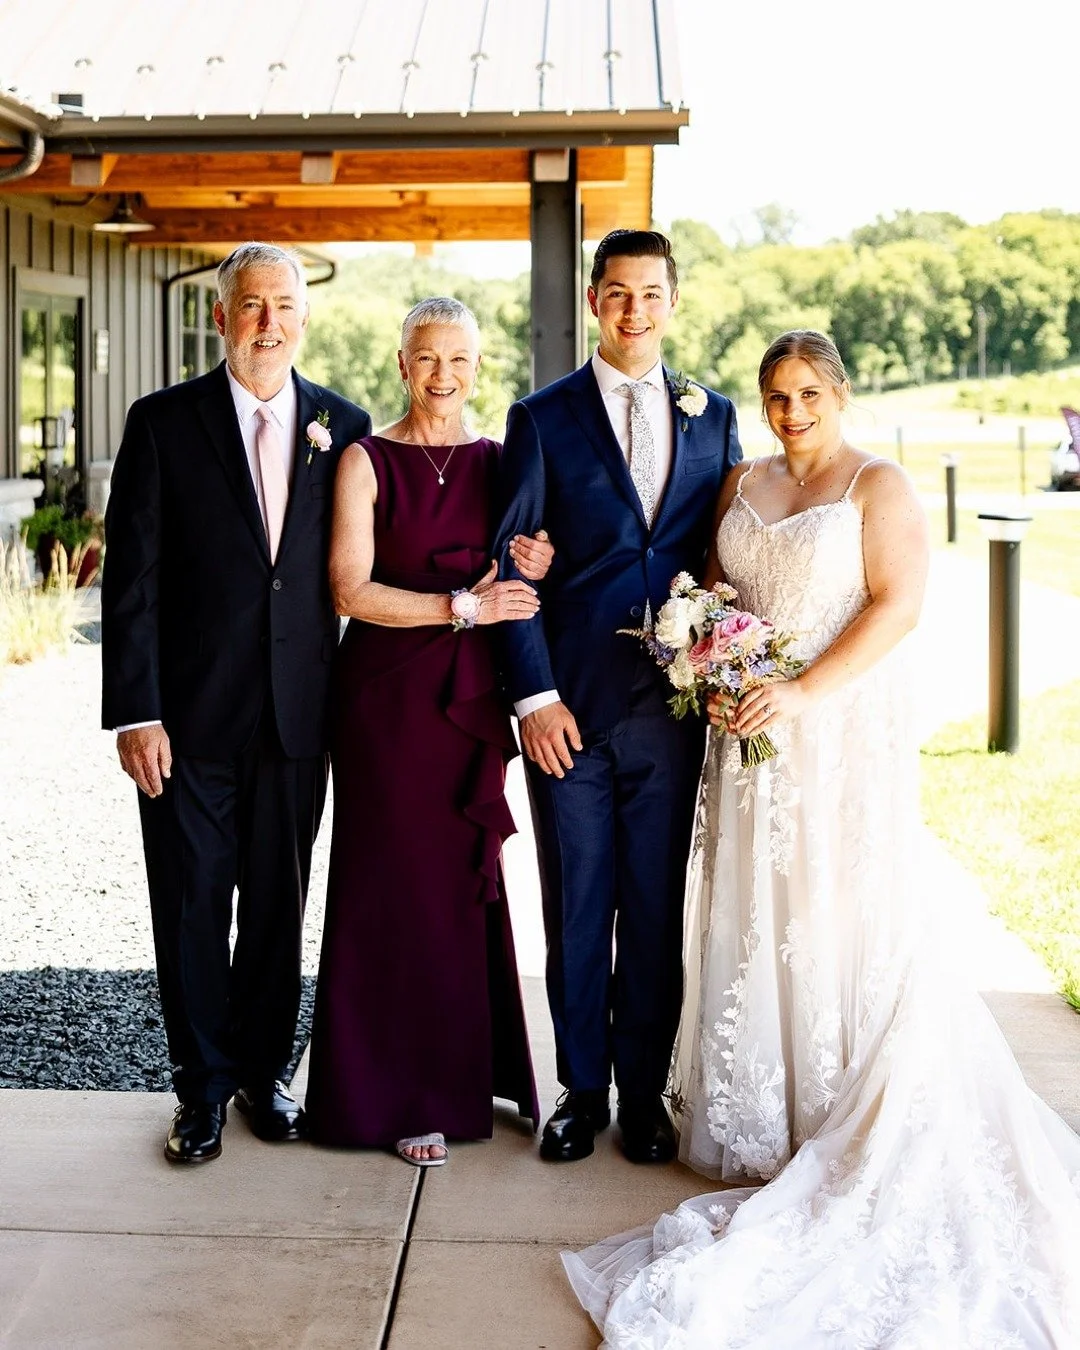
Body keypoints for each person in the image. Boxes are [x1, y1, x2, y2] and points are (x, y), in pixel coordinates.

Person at [563, 330, 1080, 1346]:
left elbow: (900, 607)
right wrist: (707, 665)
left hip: (835, 734)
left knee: (836, 910)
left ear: (839, 392)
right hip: (746, 736)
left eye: (807, 392)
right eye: (776, 394)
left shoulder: (877, 484)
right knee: (759, 912)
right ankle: (766, 1105)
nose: (791, 409)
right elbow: (712, 595)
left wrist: (798, 693)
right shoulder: (743, 482)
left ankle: (841, 1109)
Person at [101, 242, 372, 1164]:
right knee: (190, 904)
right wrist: (136, 712)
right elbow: (130, 583)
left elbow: (375, 558)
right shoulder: (162, 423)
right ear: (220, 317)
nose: (268, 323)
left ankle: (263, 1075)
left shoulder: (346, 423)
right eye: (251, 306)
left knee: (277, 907)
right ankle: (200, 1091)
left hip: (302, 714)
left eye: (284, 306)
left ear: (304, 316)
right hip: (186, 720)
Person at [494, 229, 743, 1165]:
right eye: (617, 293)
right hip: (570, 710)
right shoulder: (542, 417)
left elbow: (728, 560)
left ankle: (644, 1093)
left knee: (650, 905)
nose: (633, 309)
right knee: (575, 900)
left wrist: (729, 667)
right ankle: (580, 1089)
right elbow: (511, 570)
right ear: (595, 300)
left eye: (650, 293)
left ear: (672, 302)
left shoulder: (714, 416)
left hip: (674, 713)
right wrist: (535, 698)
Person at [303, 297, 551, 1166]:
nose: (442, 375)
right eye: (425, 357)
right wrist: (462, 607)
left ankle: (465, 1077)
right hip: (384, 702)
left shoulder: (499, 459)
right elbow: (349, 590)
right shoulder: (366, 461)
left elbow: (520, 561)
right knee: (388, 888)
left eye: (459, 360)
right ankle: (389, 1095)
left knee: (459, 886)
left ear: (477, 368)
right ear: (401, 362)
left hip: (470, 704)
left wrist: (529, 568)